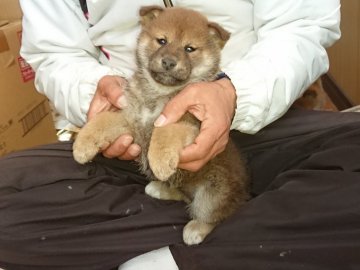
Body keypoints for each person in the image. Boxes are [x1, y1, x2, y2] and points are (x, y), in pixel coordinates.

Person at [2, 0, 360, 270]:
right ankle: (246, 231)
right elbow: (52, 53)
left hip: (264, 119)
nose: (171, 57)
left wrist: (237, 92)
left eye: (188, 49)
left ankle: (166, 250)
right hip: (131, 145)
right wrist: (94, 95)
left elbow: (303, 25)